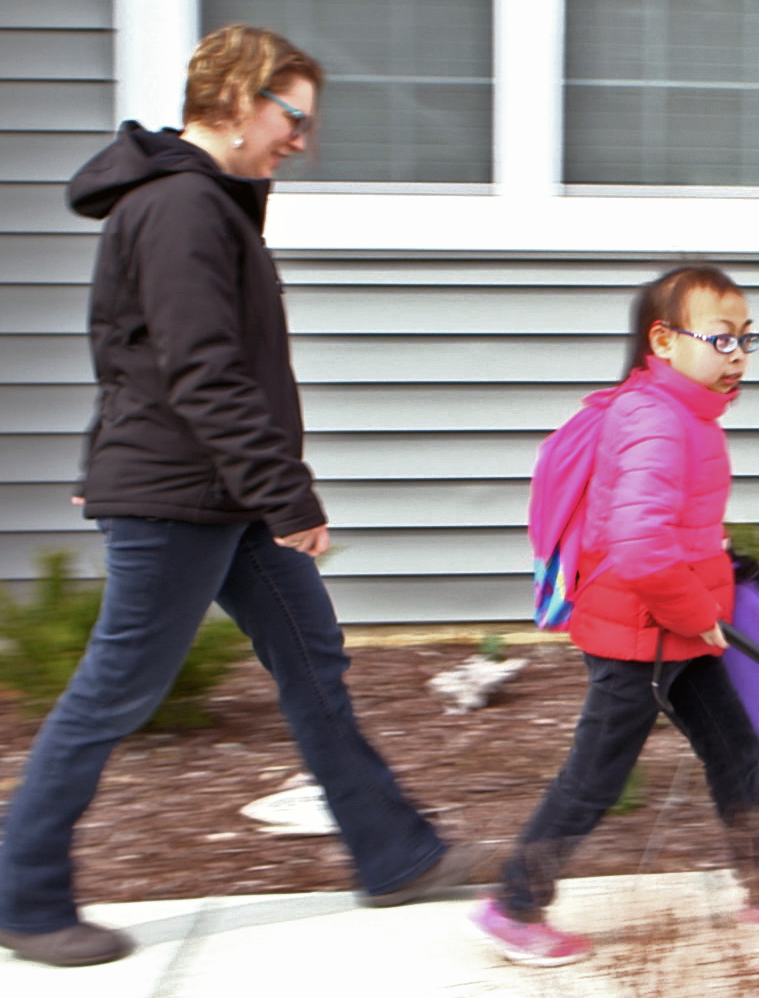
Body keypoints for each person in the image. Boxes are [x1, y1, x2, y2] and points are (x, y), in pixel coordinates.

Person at [0, 24, 485, 969]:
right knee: (118, 690)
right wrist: (288, 497)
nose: (301, 138)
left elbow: (128, 353)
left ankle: (394, 854)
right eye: (290, 115)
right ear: (234, 97)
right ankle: (22, 891)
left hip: (218, 493)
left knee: (313, 663)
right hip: (188, 495)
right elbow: (202, 370)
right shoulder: (183, 204)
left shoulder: (208, 203)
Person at [467, 265, 759, 967]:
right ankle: (513, 905)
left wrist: (710, 561)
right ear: (663, 341)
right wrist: (699, 608)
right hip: (641, 636)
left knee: (732, 749)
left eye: (746, 339)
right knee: (596, 777)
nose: (735, 354)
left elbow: (665, 525)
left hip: (675, 627)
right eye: (719, 338)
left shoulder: (682, 414)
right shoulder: (656, 418)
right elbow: (639, 548)